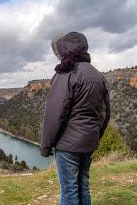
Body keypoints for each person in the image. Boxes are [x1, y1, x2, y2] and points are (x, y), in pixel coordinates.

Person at [40, 32, 111, 205]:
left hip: (68, 144)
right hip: (89, 141)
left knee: (69, 192)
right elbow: (105, 113)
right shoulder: (98, 75)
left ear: (64, 49)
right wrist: (95, 135)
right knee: (83, 187)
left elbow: (54, 115)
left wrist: (46, 146)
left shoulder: (65, 74)